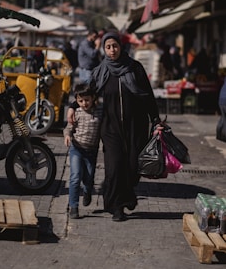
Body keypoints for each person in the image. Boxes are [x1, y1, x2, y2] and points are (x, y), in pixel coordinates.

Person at [67, 31, 162, 222]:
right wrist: (72, 107)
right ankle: (116, 207)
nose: (112, 50)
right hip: (110, 128)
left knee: (132, 167)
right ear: (104, 49)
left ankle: (127, 196)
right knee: (114, 167)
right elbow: (85, 93)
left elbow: (147, 95)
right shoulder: (101, 71)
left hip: (136, 125)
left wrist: (156, 120)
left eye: (115, 46)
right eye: (108, 47)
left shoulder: (135, 68)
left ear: (121, 46)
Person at [63, 82, 103, 219]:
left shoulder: (100, 111)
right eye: (80, 101)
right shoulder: (77, 113)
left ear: (93, 98)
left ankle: (87, 191)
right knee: (75, 177)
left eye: (87, 100)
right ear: (76, 101)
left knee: (89, 177)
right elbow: (68, 127)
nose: (84, 103)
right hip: (77, 148)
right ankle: (73, 206)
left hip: (91, 151)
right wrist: (67, 135)